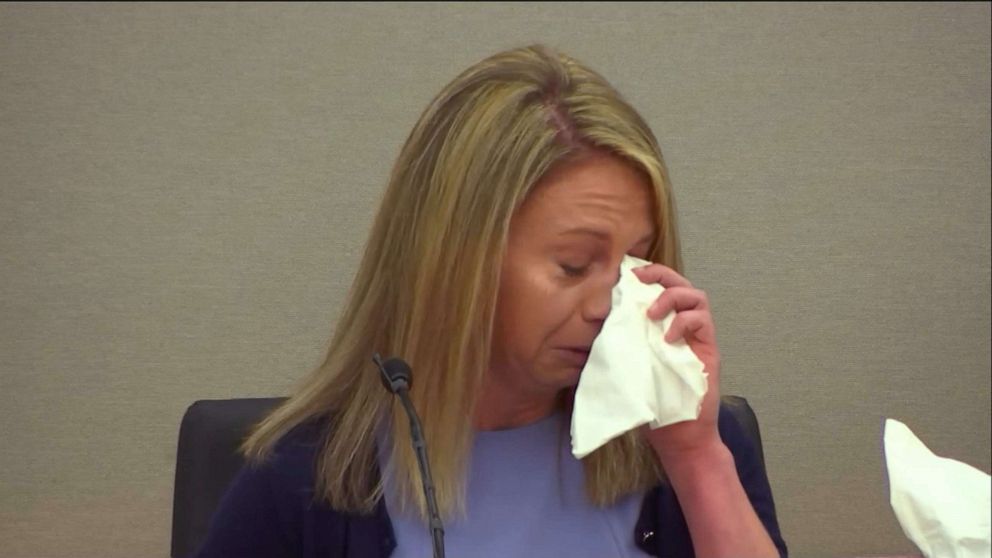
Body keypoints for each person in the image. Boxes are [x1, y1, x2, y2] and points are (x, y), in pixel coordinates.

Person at [193, 44, 788, 558]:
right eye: (575, 265)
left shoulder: (691, 445)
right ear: (453, 259)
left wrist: (697, 459)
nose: (611, 303)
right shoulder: (302, 479)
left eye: (636, 261)